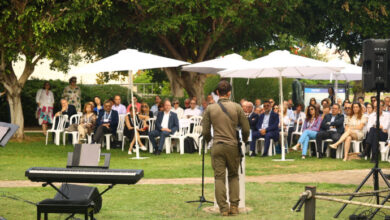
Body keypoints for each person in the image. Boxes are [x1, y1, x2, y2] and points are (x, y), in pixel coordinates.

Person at [202, 80, 249, 216]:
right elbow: (246, 129)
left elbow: (205, 131)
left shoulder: (210, 108)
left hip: (217, 145)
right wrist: (244, 141)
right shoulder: (237, 107)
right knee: (234, 176)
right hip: (233, 146)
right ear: (229, 93)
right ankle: (234, 207)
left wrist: (210, 141)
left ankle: (223, 208)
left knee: (219, 178)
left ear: (217, 93)